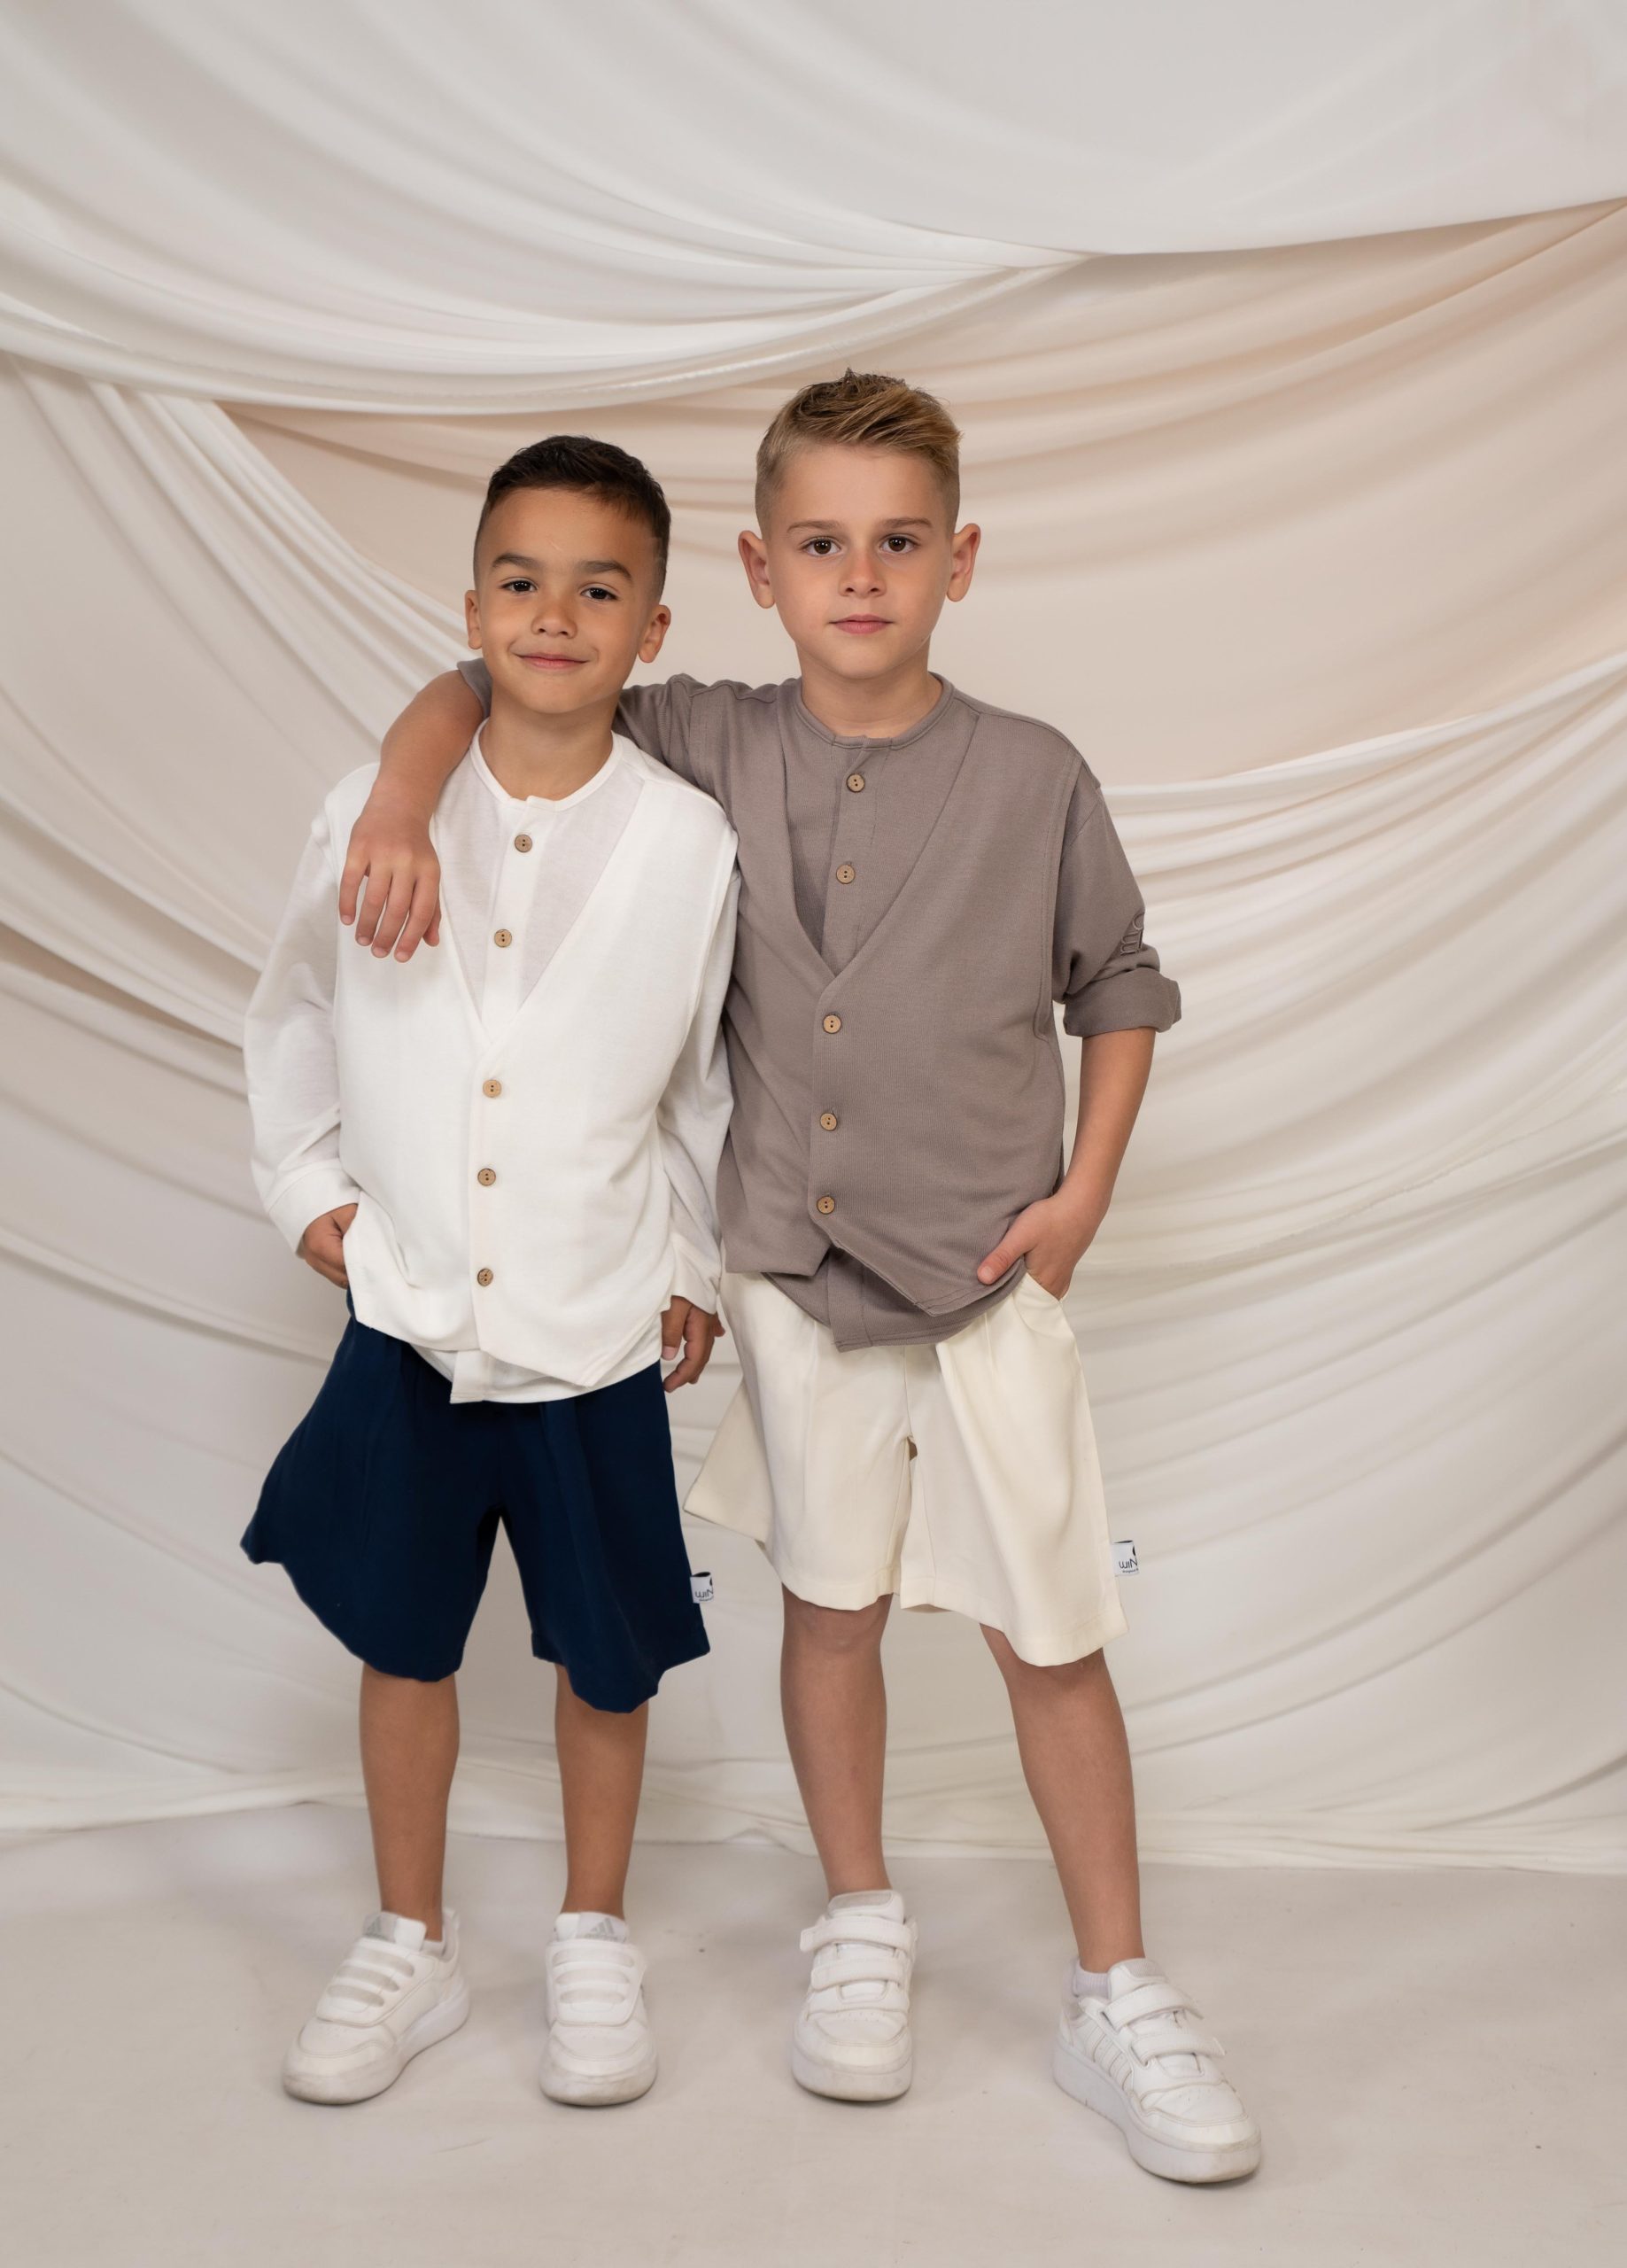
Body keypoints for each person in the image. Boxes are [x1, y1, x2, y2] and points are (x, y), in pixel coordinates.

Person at [335, 372, 1261, 2181]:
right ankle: (858, 1916)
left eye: (898, 542)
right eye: (821, 545)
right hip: (791, 1271)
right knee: (828, 1606)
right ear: (758, 571)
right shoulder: (703, 731)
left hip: (986, 1271)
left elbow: (1120, 982)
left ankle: (1117, 1986)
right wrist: (394, 790)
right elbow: (493, 682)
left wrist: (1082, 1194)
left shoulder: (1034, 773)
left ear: (958, 562)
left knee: (1049, 1631)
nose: (861, 576)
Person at [242, 436, 738, 2109]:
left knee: (606, 1656)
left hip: (595, 1320)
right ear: (469, 610)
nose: (554, 615)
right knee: (405, 1642)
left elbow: (699, 1086)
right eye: (519, 581)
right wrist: (308, 1192)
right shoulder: (375, 809)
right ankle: (412, 1939)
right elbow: (294, 1010)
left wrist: (691, 1260)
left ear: (649, 630)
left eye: (599, 589)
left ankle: (593, 1933)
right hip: (412, 1311)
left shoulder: (686, 842)